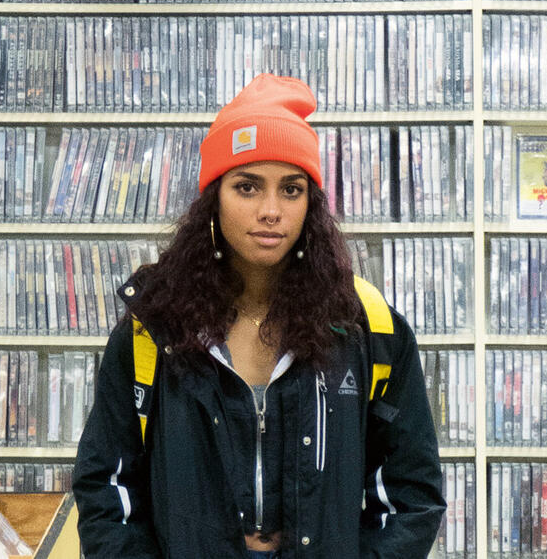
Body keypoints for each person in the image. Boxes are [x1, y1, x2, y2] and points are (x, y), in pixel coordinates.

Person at [72, 74, 445, 558]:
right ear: (213, 199)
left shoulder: (369, 330)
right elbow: (107, 489)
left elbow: (410, 492)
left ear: (311, 205)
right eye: (247, 187)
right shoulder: (152, 329)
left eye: (291, 190)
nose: (271, 211)